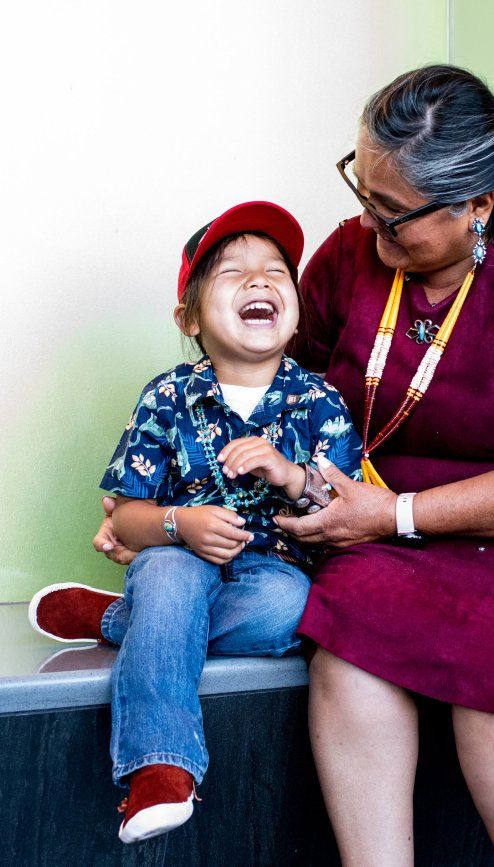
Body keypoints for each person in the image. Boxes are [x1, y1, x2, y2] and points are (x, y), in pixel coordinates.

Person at [94, 65, 494, 864]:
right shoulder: (356, 255)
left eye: (392, 211)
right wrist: (161, 514)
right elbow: (273, 383)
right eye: (362, 189)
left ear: (476, 205)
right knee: (349, 660)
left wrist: (396, 513)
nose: (364, 223)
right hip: (380, 533)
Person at [28, 202, 362, 844]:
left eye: (276, 272)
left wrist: (290, 475)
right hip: (178, 560)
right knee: (169, 576)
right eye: (233, 272)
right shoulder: (167, 396)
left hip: (271, 575)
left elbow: (345, 510)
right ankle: (159, 765)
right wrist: (180, 524)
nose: (261, 280)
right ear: (188, 316)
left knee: (291, 611)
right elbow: (127, 518)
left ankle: (119, 620)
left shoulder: (321, 402)